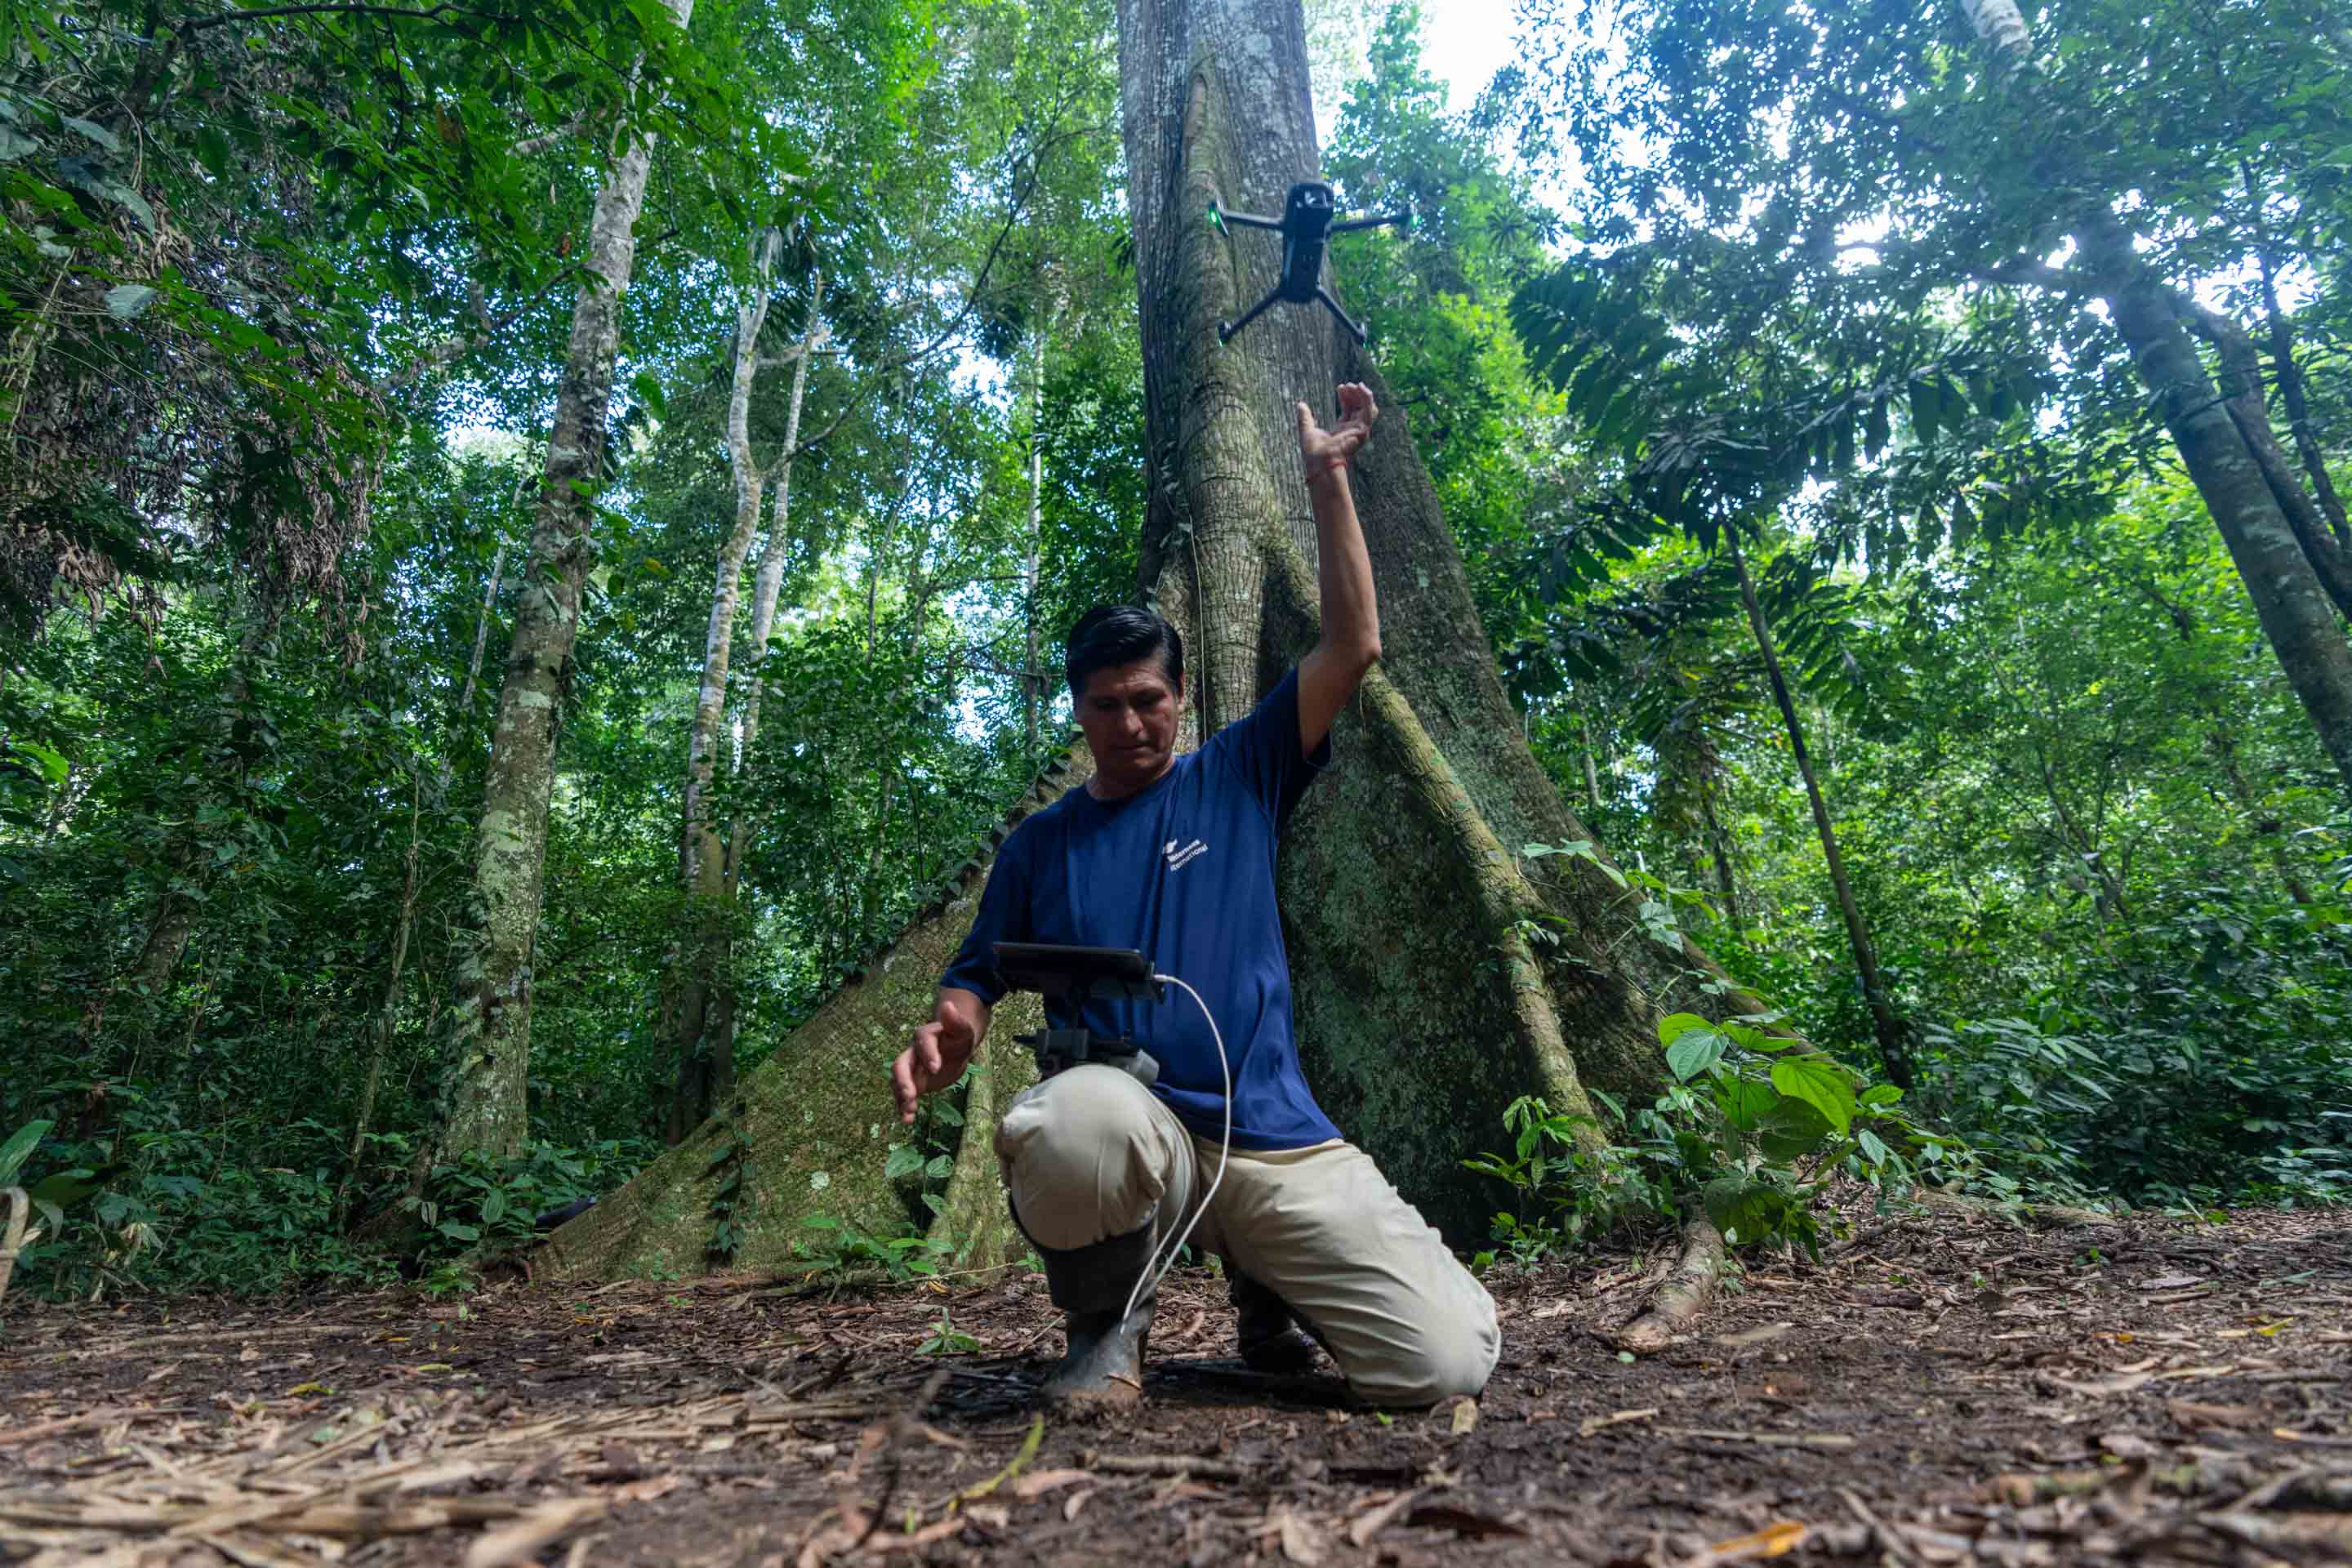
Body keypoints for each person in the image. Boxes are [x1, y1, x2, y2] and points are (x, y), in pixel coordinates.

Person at [889, 383, 1498, 1408]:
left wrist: (1329, 481)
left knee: (1444, 1365)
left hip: (1269, 1133)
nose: (1130, 724)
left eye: (1149, 700)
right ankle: (1107, 1328)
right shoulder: (1039, 845)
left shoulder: (1240, 772)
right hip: (1134, 1135)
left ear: (1182, 698)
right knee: (1071, 1124)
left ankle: (1269, 1279)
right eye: (1106, 705)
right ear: (1077, 708)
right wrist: (953, 1030)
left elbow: (1352, 647)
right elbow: (975, 982)